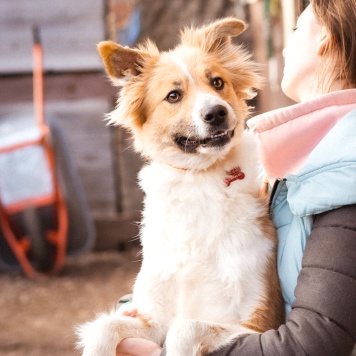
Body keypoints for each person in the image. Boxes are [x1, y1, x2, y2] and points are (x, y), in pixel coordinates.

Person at [116, 0, 356, 354]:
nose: (286, 44)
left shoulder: (342, 170)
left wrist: (160, 351)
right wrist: (137, 317)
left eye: (295, 30)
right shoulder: (286, 152)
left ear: (326, 40)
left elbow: (313, 342)